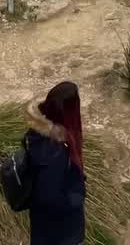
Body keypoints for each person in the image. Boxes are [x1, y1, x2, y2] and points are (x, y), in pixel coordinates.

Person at [25, 81, 86, 245]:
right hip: (62, 233)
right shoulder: (56, 151)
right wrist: (78, 193)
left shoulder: (35, 134)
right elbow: (49, 197)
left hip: (41, 227)